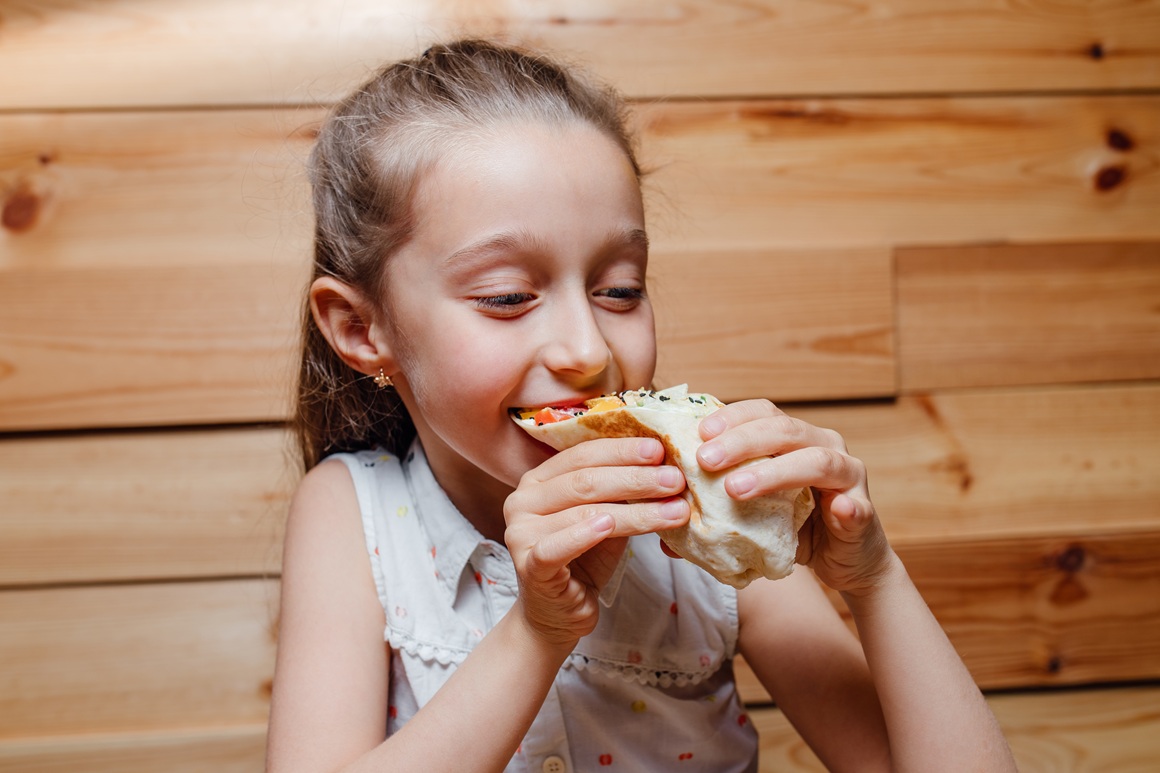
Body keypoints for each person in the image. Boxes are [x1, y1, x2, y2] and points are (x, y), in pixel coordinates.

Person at [265, 39, 1016, 773]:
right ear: (362, 330)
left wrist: (874, 576)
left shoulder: (706, 514)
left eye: (619, 288)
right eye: (508, 297)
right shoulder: (353, 512)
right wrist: (538, 632)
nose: (588, 349)